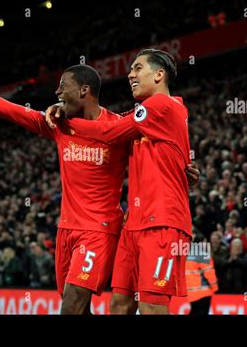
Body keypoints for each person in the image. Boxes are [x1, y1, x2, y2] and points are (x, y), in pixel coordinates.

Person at [48, 49, 193, 314]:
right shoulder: (143, 114)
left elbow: (108, 130)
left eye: (138, 68)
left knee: (151, 306)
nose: (130, 74)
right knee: (120, 305)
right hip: (133, 224)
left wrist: (65, 124)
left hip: (163, 223)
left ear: (159, 75)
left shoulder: (164, 105)